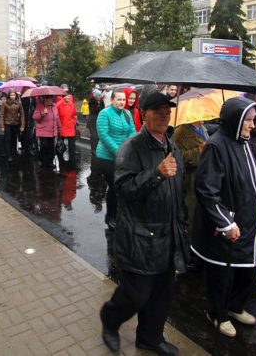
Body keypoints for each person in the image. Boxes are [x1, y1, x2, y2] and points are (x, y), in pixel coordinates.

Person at [99, 93, 188, 356]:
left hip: (168, 234)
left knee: (162, 293)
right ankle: (110, 318)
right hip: (140, 236)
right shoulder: (131, 148)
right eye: (157, 111)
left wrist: (181, 223)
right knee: (137, 294)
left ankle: (150, 338)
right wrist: (156, 174)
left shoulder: (172, 147)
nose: (163, 116)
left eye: (167, 112)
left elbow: (178, 190)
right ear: (143, 114)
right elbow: (124, 189)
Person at [191, 96, 256, 338]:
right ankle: (217, 313)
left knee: (248, 271)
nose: (253, 125)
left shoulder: (243, 142)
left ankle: (234, 306)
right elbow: (206, 190)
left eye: (254, 120)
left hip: (249, 222)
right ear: (236, 119)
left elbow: (252, 178)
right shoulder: (216, 146)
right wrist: (225, 222)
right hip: (228, 226)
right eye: (249, 120)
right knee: (222, 275)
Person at [95, 90, 136, 229]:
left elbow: (132, 131)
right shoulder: (104, 114)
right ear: (112, 100)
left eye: (124, 100)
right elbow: (104, 135)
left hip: (123, 156)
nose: (122, 102)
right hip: (106, 157)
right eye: (119, 99)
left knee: (122, 185)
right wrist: (119, 152)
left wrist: (129, 148)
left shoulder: (127, 113)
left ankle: (119, 213)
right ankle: (110, 216)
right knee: (114, 186)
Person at [173, 119, 208, 271]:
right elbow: (178, 156)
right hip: (190, 181)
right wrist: (199, 150)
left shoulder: (203, 128)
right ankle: (186, 253)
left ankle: (198, 247)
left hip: (203, 178)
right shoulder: (181, 131)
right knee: (190, 216)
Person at [33, 95, 61, 168]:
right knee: (44, 147)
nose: (52, 99)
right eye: (50, 98)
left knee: (51, 148)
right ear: (46, 98)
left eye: (52, 98)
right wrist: (42, 113)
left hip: (52, 131)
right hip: (43, 130)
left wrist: (59, 128)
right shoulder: (40, 105)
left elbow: (57, 118)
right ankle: (41, 160)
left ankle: (50, 162)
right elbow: (35, 117)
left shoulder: (54, 106)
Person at [0, 90, 25, 161]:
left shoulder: (19, 103)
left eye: (14, 95)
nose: (12, 96)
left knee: (14, 138)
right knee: (8, 139)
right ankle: (9, 154)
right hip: (7, 123)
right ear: (9, 95)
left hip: (16, 123)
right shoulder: (5, 103)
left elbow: (22, 114)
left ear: (16, 95)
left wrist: (22, 125)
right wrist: (2, 125)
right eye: (11, 95)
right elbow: (2, 114)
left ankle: (14, 152)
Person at [56, 92, 78, 161]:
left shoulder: (71, 104)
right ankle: (60, 160)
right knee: (60, 145)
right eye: (67, 96)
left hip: (70, 127)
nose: (68, 98)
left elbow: (74, 114)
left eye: (69, 97)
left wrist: (73, 122)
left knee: (72, 145)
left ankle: (72, 160)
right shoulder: (59, 104)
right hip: (62, 127)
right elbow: (57, 116)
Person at [88, 89, 104, 156]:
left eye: (100, 95)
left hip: (99, 119)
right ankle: (93, 150)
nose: (100, 96)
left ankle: (98, 149)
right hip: (93, 120)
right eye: (99, 95)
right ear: (95, 96)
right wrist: (99, 107)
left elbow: (102, 108)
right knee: (94, 136)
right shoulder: (92, 102)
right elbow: (93, 110)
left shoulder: (101, 101)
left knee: (99, 135)